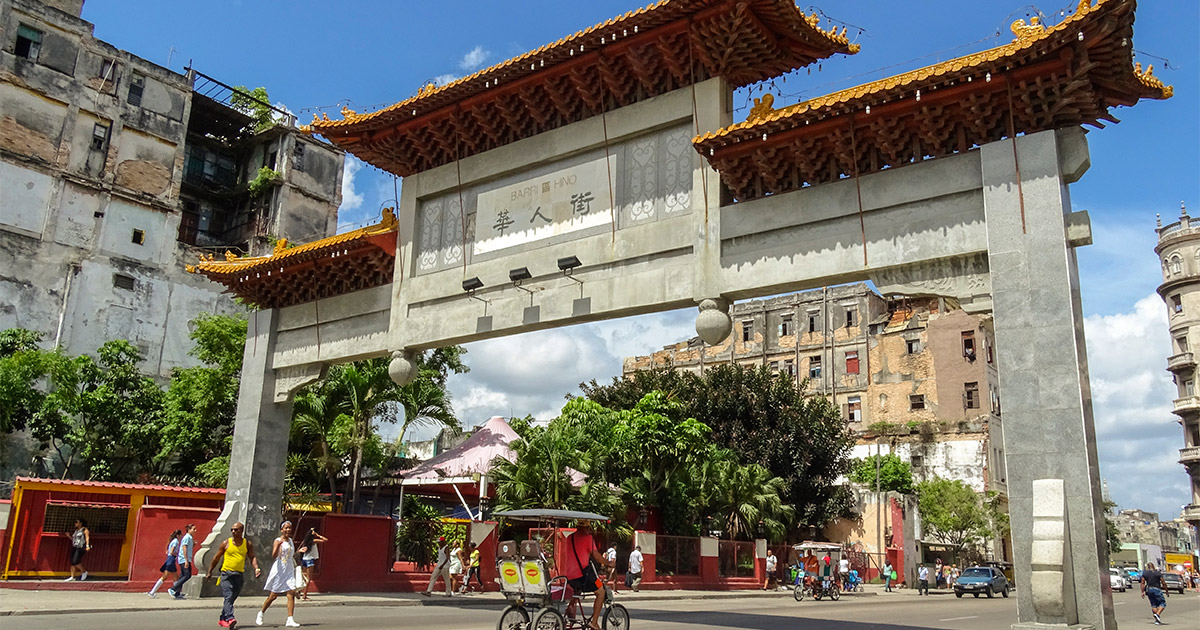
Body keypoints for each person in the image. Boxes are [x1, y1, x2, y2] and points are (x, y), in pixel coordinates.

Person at [204, 521, 261, 630]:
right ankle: (230, 618)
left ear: (241, 531)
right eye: (232, 530)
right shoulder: (226, 543)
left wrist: (256, 568)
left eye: (236, 530)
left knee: (231, 598)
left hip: (239, 574)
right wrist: (210, 571)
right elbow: (216, 558)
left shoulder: (247, 544)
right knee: (228, 596)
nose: (233, 531)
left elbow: (252, 556)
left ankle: (222, 619)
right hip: (226, 574)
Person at [561, 521, 610, 630]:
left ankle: (570, 607)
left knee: (577, 591)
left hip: (569, 576)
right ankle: (594, 622)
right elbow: (596, 556)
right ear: (587, 528)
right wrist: (608, 563)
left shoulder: (569, 538)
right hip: (583, 576)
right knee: (601, 592)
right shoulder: (588, 538)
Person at [257, 520, 301, 628]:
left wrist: (299, 552)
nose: (288, 530)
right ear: (281, 530)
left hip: (289, 569)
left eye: (289, 528)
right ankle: (261, 613)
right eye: (286, 528)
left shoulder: (290, 540)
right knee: (273, 596)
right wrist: (278, 546)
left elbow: (291, 555)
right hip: (279, 570)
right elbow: (273, 555)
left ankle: (290, 619)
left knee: (291, 593)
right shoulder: (277, 540)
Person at [148, 529, 182, 597]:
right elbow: (171, 551)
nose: (181, 536)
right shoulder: (176, 541)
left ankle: (177, 593)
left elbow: (168, 551)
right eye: (181, 535)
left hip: (169, 560)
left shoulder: (172, 541)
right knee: (165, 577)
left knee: (175, 577)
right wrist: (177, 554)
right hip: (171, 560)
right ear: (178, 535)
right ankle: (152, 592)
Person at [298, 528, 328, 601]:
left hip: (304, 559)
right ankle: (304, 595)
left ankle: (299, 591)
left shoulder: (305, 541)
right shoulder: (313, 541)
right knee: (308, 578)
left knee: (304, 577)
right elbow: (325, 540)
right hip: (310, 560)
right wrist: (318, 535)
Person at [169, 523, 197, 598]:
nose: (195, 531)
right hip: (184, 559)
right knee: (187, 575)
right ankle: (173, 589)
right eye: (193, 529)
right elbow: (184, 548)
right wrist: (186, 560)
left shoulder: (189, 538)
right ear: (189, 530)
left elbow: (187, 548)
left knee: (182, 576)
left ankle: (177, 593)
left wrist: (193, 544)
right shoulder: (187, 537)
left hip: (184, 559)